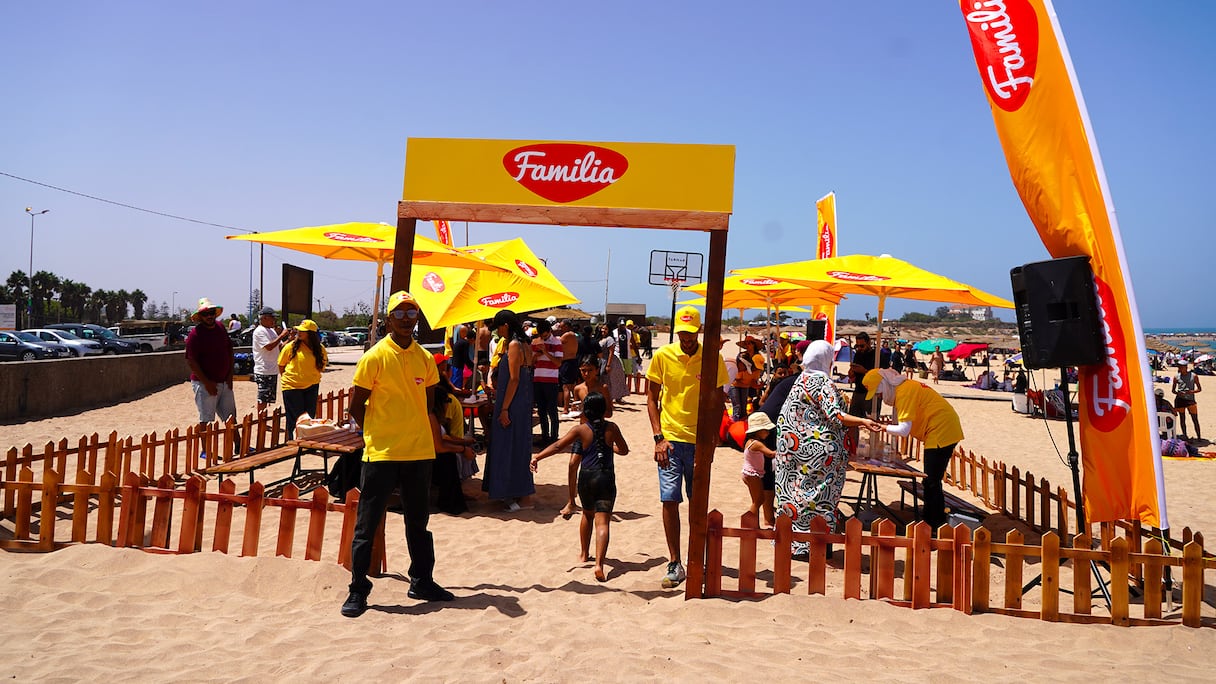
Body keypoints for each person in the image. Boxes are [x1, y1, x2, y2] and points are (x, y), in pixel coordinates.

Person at [340, 290, 454, 618]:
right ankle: (358, 588)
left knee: (418, 523)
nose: (406, 319)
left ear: (417, 318)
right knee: (367, 524)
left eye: (411, 313)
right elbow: (356, 406)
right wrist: (376, 433)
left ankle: (422, 580)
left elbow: (428, 404)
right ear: (389, 319)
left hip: (418, 452)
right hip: (382, 454)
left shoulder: (425, 358)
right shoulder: (374, 357)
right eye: (400, 314)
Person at [646, 305, 729, 588]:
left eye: (691, 333)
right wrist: (658, 437)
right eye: (683, 333)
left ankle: (696, 559)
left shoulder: (712, 358)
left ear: (699, 330)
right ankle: (674, 560)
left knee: (698, 502)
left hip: (699, 442)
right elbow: (651, 398)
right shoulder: (663, 355)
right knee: (669, 499)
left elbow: (718, 401)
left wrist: (713, 440)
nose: (687, 338)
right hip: (670, 440)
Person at [777, 341, 883, 559]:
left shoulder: (801, 379)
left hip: (791, 449)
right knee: (819, 497)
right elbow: (836, 415)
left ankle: (794, 543)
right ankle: (814, 546)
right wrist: (863, 421)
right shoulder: (823, 382)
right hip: (819, 453)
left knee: (794, 494)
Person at [531, 391, 629, 582]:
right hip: (605, 477)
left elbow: (558, 446)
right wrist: (610, 448)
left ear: (586, 411)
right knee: (603, 522)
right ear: (604, 410)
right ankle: (599, 564)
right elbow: (624, 450)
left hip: (586, 477)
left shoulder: (580, 430)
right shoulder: (612, 428)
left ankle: (584, 554)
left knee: (587, 515)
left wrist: (537, 457)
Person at [863, 368, 965, 529]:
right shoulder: (905, 388)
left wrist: (881, 427)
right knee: (931, 480)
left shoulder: (904, 392)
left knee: (931, 480)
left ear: (884, 385)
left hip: (941, 430)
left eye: (879, 393)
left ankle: (934, 524)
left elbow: (904, 430)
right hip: (941, 428)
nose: (880, 398)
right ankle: (932, 519)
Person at [484, 309, 536, 511]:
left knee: (508, 445)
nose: (497, 332)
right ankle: (522, 495)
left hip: (512, 401)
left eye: (498, 327)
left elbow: (514, 379)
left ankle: (516, 495)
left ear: (505, 325)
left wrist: (504, 408)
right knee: (520, 445)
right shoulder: (525, 344)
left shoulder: (514, 345)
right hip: (522, 400)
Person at [184, 298, 236, 433]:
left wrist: (230, 377)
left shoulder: (220, 328)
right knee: (206, 420)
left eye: (211, 313)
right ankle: (206, 447)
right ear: (200, 316)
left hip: (224, 382)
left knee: (231, 418)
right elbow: (191, 361)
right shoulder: (195, 335)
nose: (209, 316)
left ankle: (238, 443)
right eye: (205, 314)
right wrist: (207, 383)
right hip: (204, 383)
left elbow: (229, 351)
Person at [278, 319, 328, 440]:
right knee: (295, 419)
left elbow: (322, 366)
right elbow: (281, 365)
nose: (299, 332)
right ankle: (294, 442)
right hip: (292, 387)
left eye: (303, 331)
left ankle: (307, 442)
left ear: (310, 333)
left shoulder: (320, 349)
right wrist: (288, 379)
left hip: (312, 386)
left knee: (309, 418)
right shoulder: (290, 347)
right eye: (298, 330)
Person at [250, 306, 292, 415]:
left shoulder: (271, 331)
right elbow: (268, 347)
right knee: (263, 398)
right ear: (264, 318)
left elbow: (279, 347)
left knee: (268, 398)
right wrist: (281, 335)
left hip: (272, 369)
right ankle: (261, 418)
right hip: (263, 369)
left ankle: (263, 417)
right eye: (272, 318)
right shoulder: (259, 331)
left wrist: (289, 339)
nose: (274, 320)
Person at [741, 412, 777, 529]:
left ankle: (754, 526)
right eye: (766, 430)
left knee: (756, 500)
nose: (768, 433)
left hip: (749, 473)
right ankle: (749, 523)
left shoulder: (749, 442)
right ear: (758, 431)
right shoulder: (756, 444)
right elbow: (770, 454)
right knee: (759, 500)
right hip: (753, 474)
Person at [531, 319, 563, 446]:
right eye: (541, 336)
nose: (543, 338)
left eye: (545, 336)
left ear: (550, 331)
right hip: (538, 379)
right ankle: (544, 436)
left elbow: (558, 363)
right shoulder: (535, 342)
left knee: (552, 410)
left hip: (551, 380)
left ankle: (554, 437)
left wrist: (545, 351)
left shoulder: (557, 342)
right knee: (541, 411)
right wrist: (535, 355)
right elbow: (531, 362)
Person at [1172, 360, 1202, 440]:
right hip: (1180, 399)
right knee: (1182, 419)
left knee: (1194, 419)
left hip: (1190, 400)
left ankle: (1199, 437)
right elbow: (1173, 390)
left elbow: (1199, 389)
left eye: (1181, 367)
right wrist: (1178, 393)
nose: (1179, 368)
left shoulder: (1194, 376)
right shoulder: (1176, 377)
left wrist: (1191, 392)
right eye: (1179, 367)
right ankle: (1185, 435)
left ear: (1186, 367)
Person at [558, 320, 581, 416]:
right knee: (572, 386)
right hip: (571, 362)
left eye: (562, 326)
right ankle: (573, 406)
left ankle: (566, 409)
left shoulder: (567, 335)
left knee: (566, 387)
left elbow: (557, 342)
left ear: (567, 326)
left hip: (567, 362)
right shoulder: (573, 335)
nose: (560, 328)